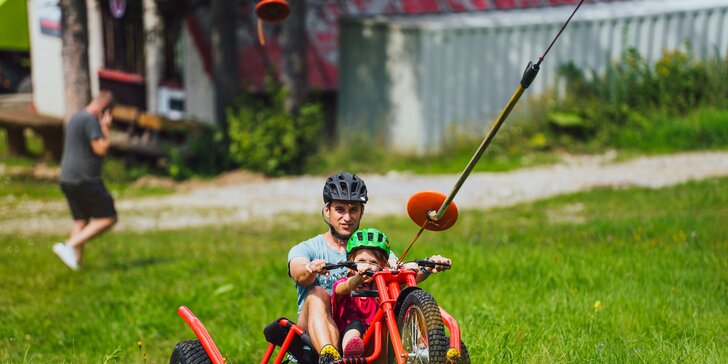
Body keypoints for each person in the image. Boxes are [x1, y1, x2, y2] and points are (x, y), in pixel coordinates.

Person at [287, 172, 451, 364]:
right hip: (316, 330)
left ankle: (432, 346)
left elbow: (399, 274)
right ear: (327, 211)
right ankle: (329, 356)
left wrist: (428, 265)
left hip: (363, 330)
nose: (347, 217)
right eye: (340, 210)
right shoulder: (309, 248)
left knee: (398, 293)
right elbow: (299, 273)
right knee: (317, 293)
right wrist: (310, 268)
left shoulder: (372, 250)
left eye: (353, 210)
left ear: (361, 212)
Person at [52, 90, 117, 271]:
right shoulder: (90, 120)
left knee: (81, 220)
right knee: (109, 217)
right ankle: (68, 245)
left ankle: (76, 264)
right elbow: (101, 149)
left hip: (67, 178)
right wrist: (106, 127)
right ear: (106, 110)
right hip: (84, 179)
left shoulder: (76, 117)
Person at [331, 227, 392, 358]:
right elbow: (344, 287)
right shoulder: (344, 282)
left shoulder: (380, 286)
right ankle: (351, 353)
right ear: (351, 263)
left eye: (373, 263)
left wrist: (424, 270)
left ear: (382, 265)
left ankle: (428, 341)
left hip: (376, 341)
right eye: (362, 261)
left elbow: (406, 281)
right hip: (347, 338)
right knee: (355, 326)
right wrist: (358, 277)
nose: (368, 266)